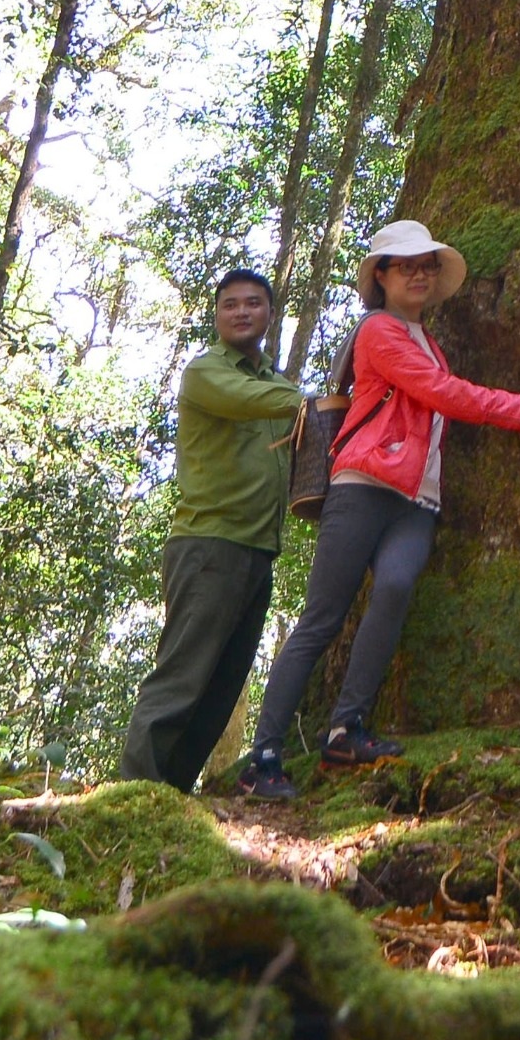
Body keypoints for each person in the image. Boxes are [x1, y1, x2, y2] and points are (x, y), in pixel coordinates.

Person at [237, 220, 520, 800]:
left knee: (393, 590)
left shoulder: (429, 343)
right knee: (322, 618)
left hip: (417, 499)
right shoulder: (379, 331)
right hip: (364, 484)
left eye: (427, 266)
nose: (418, 274)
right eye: (404, 266)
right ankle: (263, 753)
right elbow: (445, 395)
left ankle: (346, 727)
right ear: (382, 278)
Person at [120, 269, 303, 791]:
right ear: (217, 315)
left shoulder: (276, 383)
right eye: (230, 305)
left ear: (270, 313)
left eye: (253, 303)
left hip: (258, 548)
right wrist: (313, 402)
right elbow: (254, 402)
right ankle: (136, 792)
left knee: (223, 684)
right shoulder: (207, 373)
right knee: (183, 674)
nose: (242, 312)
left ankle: (171, 793)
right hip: (209, 543)